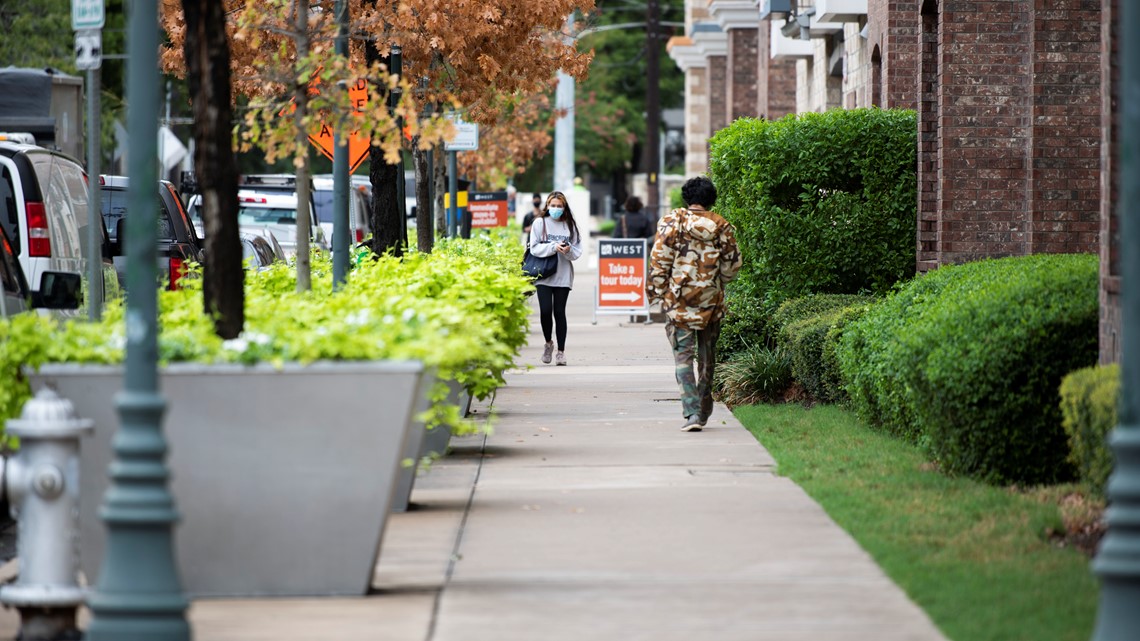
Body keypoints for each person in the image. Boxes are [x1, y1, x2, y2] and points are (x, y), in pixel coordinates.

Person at [647, 176, 742, 432]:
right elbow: (732, 268)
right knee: (707, 359)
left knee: (683, 359)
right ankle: (704, 407)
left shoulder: (670, 223)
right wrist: (714, 281)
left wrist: (655, 294)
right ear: (712, 200)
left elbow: (659, 262)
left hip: (678, 303)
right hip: (711, 303)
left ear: (687, 199)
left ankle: (691, 413)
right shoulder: (722, 226)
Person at [528, 191, 584, 366]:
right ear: (547, 206)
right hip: (543, 273)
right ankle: (548, 343)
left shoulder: (569, 225)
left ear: (564, 207)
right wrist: (553, 247)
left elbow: (577, 250)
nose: (556, 209)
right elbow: (534, 248)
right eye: (553, 205)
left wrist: (568, 250)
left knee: (559, 312)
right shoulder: (539, 223)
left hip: (563, 274)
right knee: (545, 311)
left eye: (559, 206)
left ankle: (561, 351)